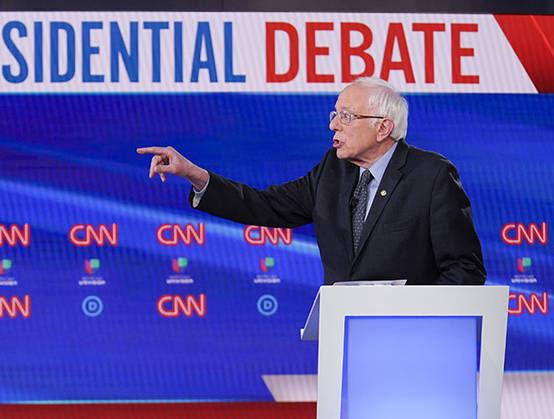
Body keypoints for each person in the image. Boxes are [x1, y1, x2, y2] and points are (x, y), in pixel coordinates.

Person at [137, 76, 485, 285]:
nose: (334, 125)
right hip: (345, 339)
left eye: (346, 117)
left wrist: (409, 312)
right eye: (335, 115)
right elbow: (264, 206)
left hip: (415, 344)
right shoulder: (332, 172)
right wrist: (195, 175)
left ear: (383, 127)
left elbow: (465, 269)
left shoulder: (432, 175)